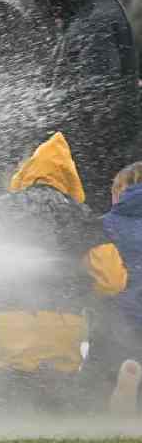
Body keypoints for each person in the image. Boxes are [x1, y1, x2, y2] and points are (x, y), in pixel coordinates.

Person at [0, 133, 103, 409]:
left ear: (25, 173)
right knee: (55, 405)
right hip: (62, 323)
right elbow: (112, 277)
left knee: (3, 404)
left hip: (1, 324)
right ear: (70, 176)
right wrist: (87, 291)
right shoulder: (81, 216)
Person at [32, 0, 139, 213]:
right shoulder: (85, 13)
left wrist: (44, 107)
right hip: (92, 157)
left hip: (97, 165)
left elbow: (97, 97)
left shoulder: (95, 22)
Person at [83, 162, 142, 414]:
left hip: (116, 322)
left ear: (119, 190)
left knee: (100, 381)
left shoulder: (102, 226)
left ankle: (116, 396)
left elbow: (97, 275)